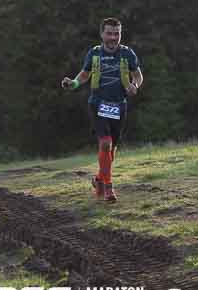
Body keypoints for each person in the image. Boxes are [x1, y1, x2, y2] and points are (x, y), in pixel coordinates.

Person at [61, 17, 143, 202]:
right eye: (109, 33)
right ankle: (108, 187)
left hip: (119, 105)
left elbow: (138, 75)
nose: (113, 37)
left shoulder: (127, 53)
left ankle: (99, 179)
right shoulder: (94, 53)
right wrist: (73, 84)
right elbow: (84, 75)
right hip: (98, 104)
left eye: (117, 33)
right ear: (101, 34)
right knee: (105, 143)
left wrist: (135, 85)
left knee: (111, 149)